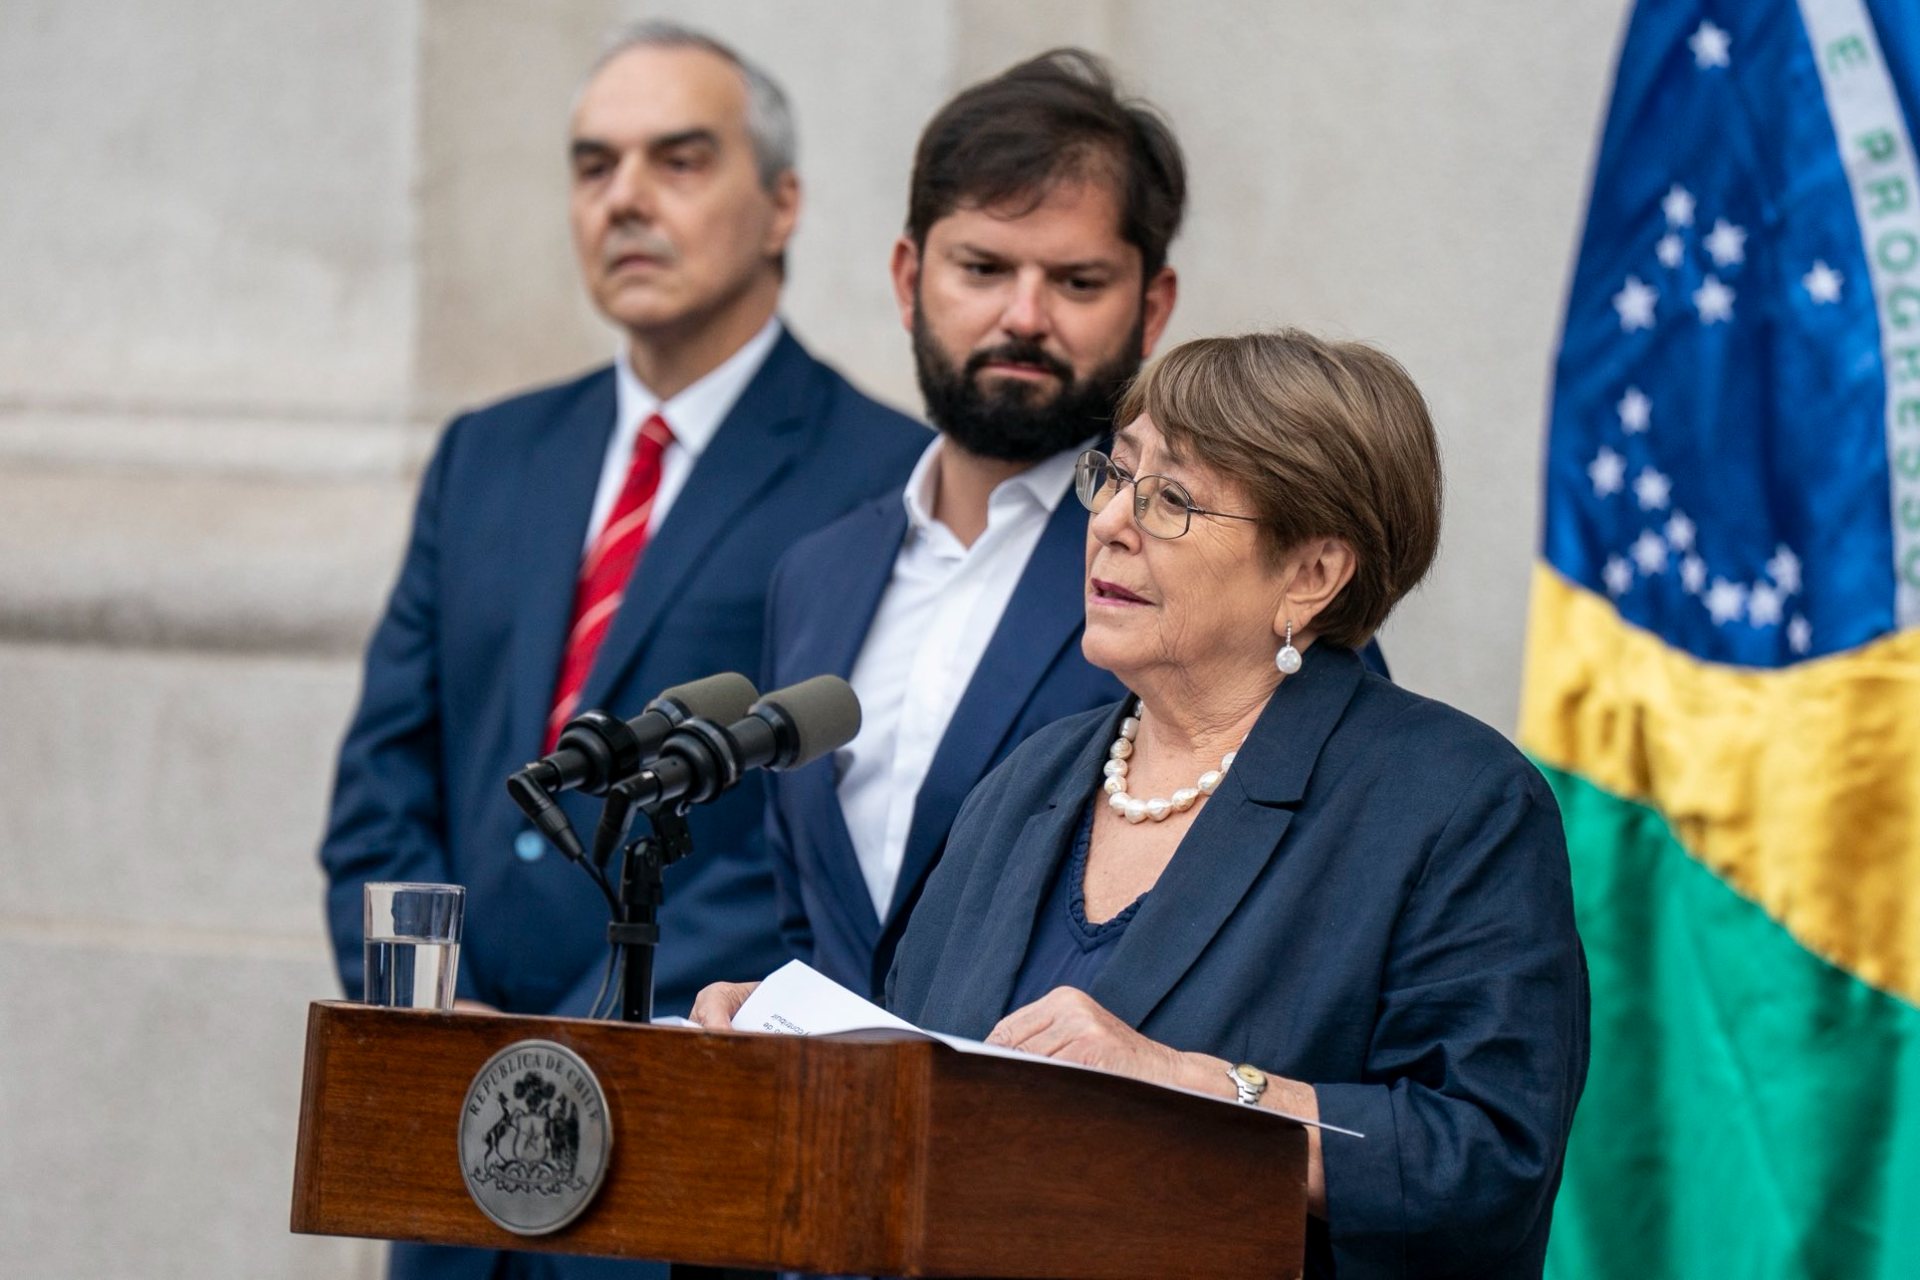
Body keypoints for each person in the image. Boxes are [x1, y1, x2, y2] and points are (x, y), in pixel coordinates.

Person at [702, 331, 1588, 1278]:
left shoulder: (1453, 804)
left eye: (1171, 499)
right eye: (1114, 476)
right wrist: (802, 1050)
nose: (1111, 521)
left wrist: (1180, 1087)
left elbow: (1490, 1156)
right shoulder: (1028, 784)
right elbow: (935, 1085)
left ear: (1311, 575)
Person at [319, 22, 924, 1280]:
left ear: (783, 204)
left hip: (678, 1159)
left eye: (679, 159)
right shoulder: (489, 454)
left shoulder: (881, 478)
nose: (627, 199)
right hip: (452, 1152)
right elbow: (385, 790)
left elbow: (826, 835)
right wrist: (443, 1033)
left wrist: (595, 1052)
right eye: (594, 166)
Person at [761, 51, 1387, 1000]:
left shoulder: (1215, 571)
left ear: (1153, 307)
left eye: (1078, 281)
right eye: (982, 267)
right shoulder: (816, 573)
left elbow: (1323, 911)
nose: (1025, 316)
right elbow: (806, 916)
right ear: (907, 277)